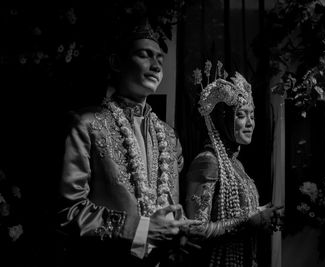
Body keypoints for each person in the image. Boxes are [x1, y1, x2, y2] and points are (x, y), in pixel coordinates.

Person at [57, 23, 198, 267]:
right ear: (116, 62)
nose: (156, 65)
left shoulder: (168, 136)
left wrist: (181, 230)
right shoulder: (87, 124)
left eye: (160, 59)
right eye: (144, 55)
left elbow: (172, 209)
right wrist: (141, 230)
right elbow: (68, 212)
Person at [183, 61, 283, 267]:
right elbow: (195, 230)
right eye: (240, 115)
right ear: (222, 120)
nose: (250, 123)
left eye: (252, 116)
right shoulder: (207, 162)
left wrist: (261, 214)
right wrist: (250, 221)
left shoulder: (236, 165)